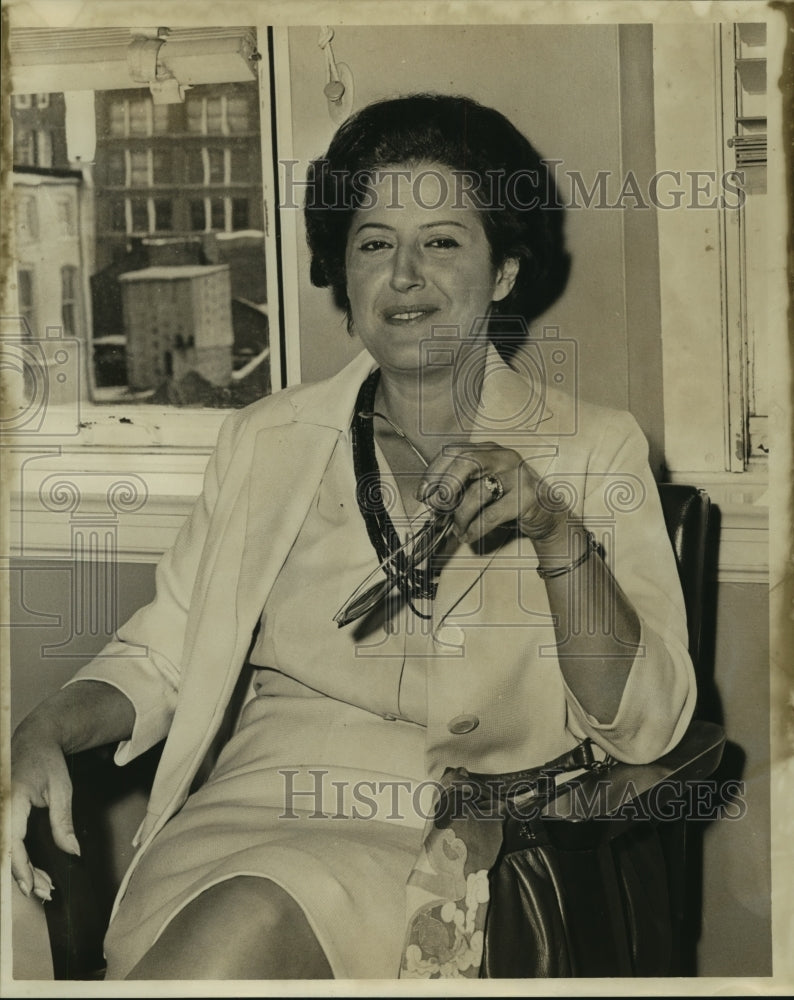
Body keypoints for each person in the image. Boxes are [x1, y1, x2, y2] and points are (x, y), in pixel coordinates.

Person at [10, 93, 696, 980]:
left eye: (442, 241)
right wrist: (41, 728)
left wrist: (554, 530)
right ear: (344, 272)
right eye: (375, 244)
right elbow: (162, 658)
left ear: (504, 272)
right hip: (245, 808)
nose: (404, 277)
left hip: (451, 840)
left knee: (245, 921)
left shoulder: (593, 447)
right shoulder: (264, 439)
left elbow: (646, 725)